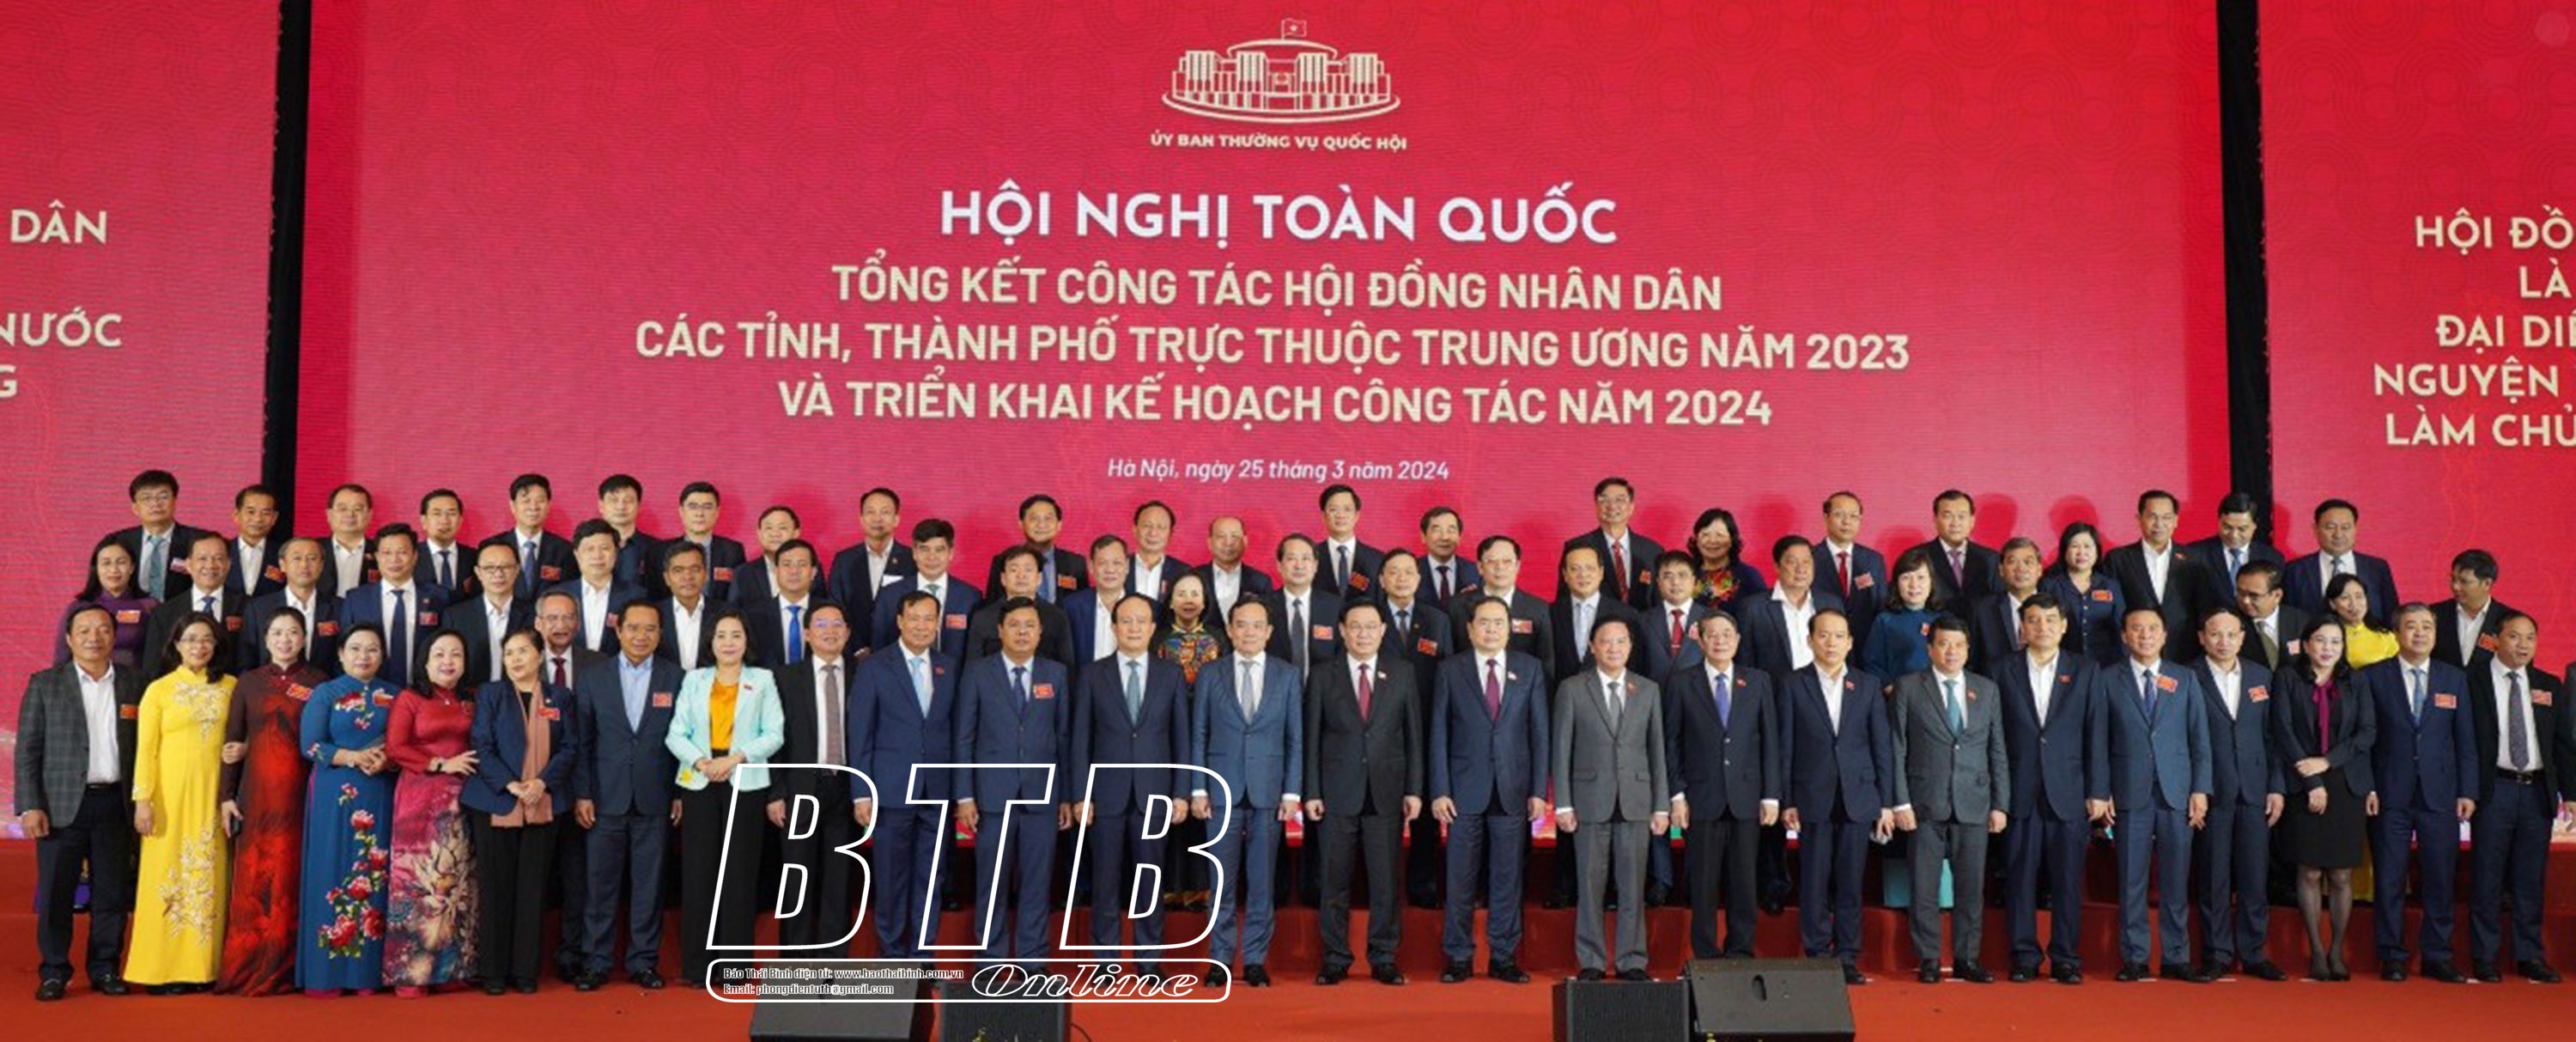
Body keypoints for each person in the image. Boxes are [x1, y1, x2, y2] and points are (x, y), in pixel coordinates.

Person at [19, 605, 143, 1000]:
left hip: (115, 804)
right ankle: (55, 971)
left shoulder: (134, 683)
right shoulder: (45, 683)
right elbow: (28, 750)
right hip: (60, 807)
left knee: (112, 894)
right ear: (69, 639)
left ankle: (105, 968)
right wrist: (30, 805)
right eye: (85, 630)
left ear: (114, 636)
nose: (94, 637)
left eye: (103, 629)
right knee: (57, 894)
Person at [1429, 596, 1549, 984]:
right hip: (1463, 791)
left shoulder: (1529, 669)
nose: (1491, 629)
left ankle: (1503, 956)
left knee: (1507, 878)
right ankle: (1458, 956)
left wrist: (1538, 789)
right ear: (1470, 629)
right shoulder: (1451, 669)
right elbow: (1438, 732)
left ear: (1510, 628)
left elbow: (1539, 732)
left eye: (1499, 622)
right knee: (1460, 879)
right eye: (1484, 622)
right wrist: (1440, 789)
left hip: (1513, 790)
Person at [1070, 594, 1191, 976]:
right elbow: (1080, 740)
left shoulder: (1171, 674)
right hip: (1105, 795)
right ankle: (1106, 961)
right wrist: (1080, 795)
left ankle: (1149, 961)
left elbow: (1181, 738)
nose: (1134, 628)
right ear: (1114, 627)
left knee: (1150, 881)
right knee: (1105, 881)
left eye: (1141, 621)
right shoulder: (1092, 674)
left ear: (1153, 628)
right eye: (1126, 621)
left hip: (1154, 794)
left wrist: (1181, 792)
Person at [1304, 600, 1423, 985]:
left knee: (1385, 881)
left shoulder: (1402, 673)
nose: (1363, 634)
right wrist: (1311, 791)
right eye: (1355, 626)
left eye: (1371, 627)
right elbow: (1311, 738)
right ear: (1342, 631)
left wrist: (1414, 789)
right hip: (1336, 792)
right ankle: (1336, 958)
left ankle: (1383, 956)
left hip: (1387, 791)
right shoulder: (1323, 675)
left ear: (1383, 630)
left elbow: (1413, 736)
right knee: (1333, 881)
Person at [2358, 604, 2478, 981]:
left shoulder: (2453, 678)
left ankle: (2438, 955)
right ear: (2396, 633)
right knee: (2390, 878)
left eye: (2427, 627)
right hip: (2389, 793)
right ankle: (2392, 955)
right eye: (2412, 626)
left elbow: (2465, 740)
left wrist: (2467, 791)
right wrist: (2368, 785)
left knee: (2440, 878)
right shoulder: (2373, 677)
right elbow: (2364, 739)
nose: (2420, 633)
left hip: (2439, 794)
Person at [215, 608, 331, 995]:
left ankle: (291, 967)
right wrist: (227, 796)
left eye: (293, 632)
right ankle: (250, 965)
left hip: (303, 794)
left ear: (305, 639)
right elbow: (232, 742)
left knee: (295, 875)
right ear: (265, 640)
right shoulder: (248, 683)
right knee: (257, 878)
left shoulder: (319, 683)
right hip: (258, 794)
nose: (285, 640)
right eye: (277, 633)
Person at [666, 611, 784, 987]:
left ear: (747, 641)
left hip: (744, 781)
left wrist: (734, 760)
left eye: (736, 635)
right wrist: (703, 762)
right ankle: (698, 968)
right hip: (699, 781)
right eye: (721, 635)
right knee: (699, 874)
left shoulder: (762, 679)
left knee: (738, 875)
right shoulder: (694, 679)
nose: (729, 642)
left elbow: (775, 734)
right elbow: (675, 734)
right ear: (710, 642)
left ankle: (734, 968)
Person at [955, 598, 1075, 965]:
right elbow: (964, 737)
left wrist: (1066, 796)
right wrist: (964, 796)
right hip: (992, 797)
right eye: (1015, 625)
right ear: (1000, 631)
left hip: (1042, 795)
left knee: (1037, 884)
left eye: (1030, 626)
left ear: (1040, 632)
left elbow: (1064, 739)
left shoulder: (1056, 674)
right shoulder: (978, 672)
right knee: (991, 883)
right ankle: (990, 961)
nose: (1022, 632)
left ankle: (1032, 960)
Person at [1191, 599, 1304, 989]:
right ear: (1230, 630)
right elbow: (1199, 733)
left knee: (1262, 881)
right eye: (1242, 625)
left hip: (1269, 790)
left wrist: (1292, 791)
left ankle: (1255, 959)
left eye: (1257, 625)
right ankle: (1219, 959)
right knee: (1220, 881)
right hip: (1220, 789)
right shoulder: (1211, 674)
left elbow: (1295, 738)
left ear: (1269, 632)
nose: (1249, 632)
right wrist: (1198, 787)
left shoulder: (1287, 675)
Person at [570, 602, 683, 990]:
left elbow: (683, 740)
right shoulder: (593, 677)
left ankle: (643, 962)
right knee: (599, 885)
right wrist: (583, 793)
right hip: (604, 798)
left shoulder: (675, 677)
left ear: (660, 633)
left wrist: (679, 791)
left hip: (656, 796)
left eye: (650, 629)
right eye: (633, 628)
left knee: (649, 886)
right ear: (618, 631)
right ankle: (595, 961)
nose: (641, 636)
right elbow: (583, 742)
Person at [1889, 617, 2007, 984]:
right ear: (1930, 649)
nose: (1951, 651)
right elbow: (1897, 749)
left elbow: (1997, 749)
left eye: (1958, 645)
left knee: (1971, 889)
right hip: (1924, 801)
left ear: (1968, 650)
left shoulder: (1986, 689)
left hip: (1974, 801)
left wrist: (2000, 804)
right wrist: (1900, 803)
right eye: (1943, 644)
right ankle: (1927, 958)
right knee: (1923, 887)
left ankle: (1966, 958)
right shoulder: (1909, 687)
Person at [1996, 593, 2104, 984]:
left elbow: (2096, 733)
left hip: (2069, 790)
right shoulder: (2001, 669)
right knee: (2019, 878)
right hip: (2019, 791)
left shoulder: (2086, 670)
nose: (2042, 627)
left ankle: (2065, 957)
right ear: (2022, 627)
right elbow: (1994, 736)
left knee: (2068, 881)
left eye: (2050, 620)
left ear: (2064, 625)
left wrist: (2098, 790)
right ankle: (2024, 955)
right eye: (2034, 620)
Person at [124, 613, 234, 992]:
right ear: (175, 645)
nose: (198, 646)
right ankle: (161, 970)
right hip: (167, 798)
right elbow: (146, 750)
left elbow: (242, 737)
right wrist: (143, 800)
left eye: (206, 639)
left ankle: (202, 969)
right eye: (190, 639)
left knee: (208, 875)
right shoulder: (159, 690)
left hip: (212, 795)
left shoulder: (231, 687)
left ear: (216, 645)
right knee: (165, 878)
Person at [2098, 607, 2210, 982]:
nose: (2145, 635)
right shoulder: (2107, 679)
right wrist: (2102, 790)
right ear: (2124, 636)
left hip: (2176, 791)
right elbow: (2099, 741)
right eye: (2136, 629)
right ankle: (2135, 957)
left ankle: (2176, 957)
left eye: (2152, 629)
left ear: (2164, 635)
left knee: (2176, 880)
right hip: (2128, 792)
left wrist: (2200, 789)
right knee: (2132, 880)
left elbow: (2199, 739)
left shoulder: (2184, 678)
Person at [1555, 615, 1668, 981]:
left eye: (1621, 641)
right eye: (1606, 641)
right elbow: (1562, 749)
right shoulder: (1573, 688)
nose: (1614, 648)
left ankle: (1632, 960)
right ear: (1593, 647)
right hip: (1589, 800)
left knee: (1633, 887)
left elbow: (1657, 751)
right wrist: (1563, 802)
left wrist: (1661, 805)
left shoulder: (1647, 689)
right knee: (1590, 885)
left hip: (1636, 800)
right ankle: (1590, 960)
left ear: (1631, 647)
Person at [469, 628, 580, 993]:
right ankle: (494, 973)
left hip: (544, 801)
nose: (515, 659)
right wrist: (511, 784)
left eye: (522, 651)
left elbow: (570, 747)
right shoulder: (492, 694)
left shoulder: (560, 697)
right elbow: (481, 745)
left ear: (540, 655)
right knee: (495, 889)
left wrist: (542, 783)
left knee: (533, 890)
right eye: (509, 653)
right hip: (497, 801)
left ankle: (525, 972)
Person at [1783, 610, 1892, 984]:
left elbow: (1881, 747)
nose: (1831, 643)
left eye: (1839, 636)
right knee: (1814, 880)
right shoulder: (1793, 684)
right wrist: (1787, 799)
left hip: (1858, 796)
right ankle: (1817, 954)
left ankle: (1847, 956)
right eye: (1824, 635)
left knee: (1850, 881)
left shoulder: (1867, 685)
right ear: (1810, 640)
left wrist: (1885, 802)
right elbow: (1785, 746)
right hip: (1811, 794)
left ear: (1850, 642)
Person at [848, 591, 958, 961]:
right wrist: (862, 792)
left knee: (932, 876)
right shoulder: (875, 667)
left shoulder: (949, 667)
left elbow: (956, 732)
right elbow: (860, 734)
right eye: (914, 618)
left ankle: (923, 955)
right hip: (890, 791)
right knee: (891, 878)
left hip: (937, 790)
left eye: (929, 619)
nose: (922, 626)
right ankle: (892, 955)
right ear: (899, 621)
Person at [1663, 611, 1778, 961]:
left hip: (1747, 795)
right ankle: (1705, 953)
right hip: (1701, 797)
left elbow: (1770, 741)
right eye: (1712, 634)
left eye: (1727, 634)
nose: (1720, 640)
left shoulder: (1757, 681)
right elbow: (1672, 742)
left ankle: (1741, 949)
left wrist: (1771, 795)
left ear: (1738, 640)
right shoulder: (1682, 682)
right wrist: (1677, 794)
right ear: (1700, 640)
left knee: (1744, 880)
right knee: (1703, 883)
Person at [2465, 612, 2569, 983]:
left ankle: (2529, 955)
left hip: (2537, 791)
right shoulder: (2472, 680)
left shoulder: (2548, 684)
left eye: (2530, 638)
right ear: (2495, 639)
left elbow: (2562, 743)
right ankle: (2484, 957)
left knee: (2529, 878)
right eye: (2514, 636)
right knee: (2487, 876)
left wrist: (2570, 793)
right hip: (2494, 789)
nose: (2523, 645)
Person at [2272, 616, 2376, 981]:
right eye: (2320, 640)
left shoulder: (2356, 680)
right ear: (2306, 644)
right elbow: (2283, 730)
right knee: (2310, 870)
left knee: (2342, 874)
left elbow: (2367, 732)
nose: (2328, 648)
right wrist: (2313, 779)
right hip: (2302, 779)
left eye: (2335, 641)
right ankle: (2316, 951)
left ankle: (2337, 950)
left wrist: (2329, 762)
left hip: (2346, 782)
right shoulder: (2288, 677)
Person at [2186, 607, 2287, 982]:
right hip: (2212, 792)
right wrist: (2196, 788)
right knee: (2214, 877)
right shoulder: (2188, 676)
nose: (2223, 641)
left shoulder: (2261, 676)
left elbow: (2274, 737)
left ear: (2243, 638)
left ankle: (2254, 953)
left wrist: (2277, 786)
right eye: (2215, 634)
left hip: (2256, 790)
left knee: (2254, 876)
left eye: (2231, 634)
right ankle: (2217, 954)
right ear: (2202, 638)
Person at [297, 625, 396, 996]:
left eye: (372, 649)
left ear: (383, 655)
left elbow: (405, 742)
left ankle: (365, 975)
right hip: (334, 793)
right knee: (331, 869)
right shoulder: (326, 693)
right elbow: (310, 746)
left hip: (379, 790)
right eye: (355, 649)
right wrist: (354, 757)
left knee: (374, 874)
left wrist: (387, 759)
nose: (363, 656)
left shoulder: (395, 694)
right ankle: (326, 974)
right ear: (340, 654)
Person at [383, 630, 480, 996]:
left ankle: (451, 970)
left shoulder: (472, 700)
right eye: (439, 654)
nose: (448, 661)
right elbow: (396, 747)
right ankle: (412, 974)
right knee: (418, 884)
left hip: (464, 801)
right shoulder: (410, 698)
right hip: (420, 799)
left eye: (456, 654)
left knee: (457, 885)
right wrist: (440, 763)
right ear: (424, 662)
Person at [768, 600, 865, 952]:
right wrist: (776, 792)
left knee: (839, 878)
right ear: (807, 634)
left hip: (846, 787)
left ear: (848, 633)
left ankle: (833, 961)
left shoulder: (863, 674)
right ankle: (795, 961)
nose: (830, 631)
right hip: (800, 788)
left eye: (837, 624)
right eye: (821, 625)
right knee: (797, 875)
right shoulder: (785, 678)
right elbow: (775, 738)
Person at [533, 589, 605, 981]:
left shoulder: (599, 664)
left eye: (567, 618)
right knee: (535, 875)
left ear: (577, 623)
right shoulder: (523, 661)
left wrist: (586, 789)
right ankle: (526, 957)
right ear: (538, 623)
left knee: (579, 878)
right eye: (552, 618)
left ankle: (572, 954)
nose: (560, 626)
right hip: (535, 786)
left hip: (586, 786)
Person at [1376, 550, 1453, 908]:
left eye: (1409, 572)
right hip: (1382, 732)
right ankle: (1383, 889)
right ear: (1382, 580)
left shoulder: (1437, 620)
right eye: (1394, 572)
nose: (1402, 578)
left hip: (1426, 728)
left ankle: (1424, 886)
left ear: (1419, 579)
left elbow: (1449, 675)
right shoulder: (1370, 618)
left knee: (1425, 816)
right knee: (1383, 814)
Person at [1152, 573, 1227, 911]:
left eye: (1195, 594)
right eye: (1181, 593)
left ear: (1205, 600)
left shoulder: (1217, 638)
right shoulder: (1158, 637)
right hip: (1166, 730)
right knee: (1172, 808)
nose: (1188, 600)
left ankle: (1200, 886)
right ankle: (1170, 885)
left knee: (1201, 809)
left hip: (1209, 730)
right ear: (1170, 601)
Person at [337, 524, 448, 691]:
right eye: (387, 553)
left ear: (415, 556)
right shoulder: (356, 599)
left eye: (402, 552)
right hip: (370, 691)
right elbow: (344, 650)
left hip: (424, 693)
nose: (394, 560)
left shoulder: (439, 597)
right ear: (377, 557)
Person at [2103, 491, 2211, 652]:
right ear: (2139, 519)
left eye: (2166, 517)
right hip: (2135, 650)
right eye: (2152, 517)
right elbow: (2112, 610)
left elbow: (2204, 607)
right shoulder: (2118, 559)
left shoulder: (2194, 559)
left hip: (2183, 651)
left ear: (2176, 521)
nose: (2159, 524)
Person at [869, 519, 981, 667]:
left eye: (939, 550)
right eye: (924, 549)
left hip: (955, 678)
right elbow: (880, 647)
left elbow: (975, 652)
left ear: (951, 553)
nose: (932, 557)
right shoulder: (890, 595)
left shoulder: (970, 597)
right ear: (914, 553)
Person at [1449, 535, 1554, 682]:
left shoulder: (1538, 609)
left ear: (1518, 566)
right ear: (1480, 567)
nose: (1500, 567)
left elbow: (1546, 663)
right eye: (1492, 561)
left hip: (1521, 692)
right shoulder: (1458, 605)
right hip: (1468, 688)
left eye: (1507, 561)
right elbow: (1450, 658)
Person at [1739, 538, 1842, 681]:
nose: (1801, 569)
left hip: (1825, 690)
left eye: (1806, 562)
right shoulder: (1753, 608)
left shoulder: (1831, 603)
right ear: (1777, 567)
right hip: (1774, 691)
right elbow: (1745, 663)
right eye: (1792, 562)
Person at [141, 532, 241, 679]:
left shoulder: (249, 608)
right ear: (188, 565)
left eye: (218, 558)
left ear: (228, 564)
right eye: (202, 558)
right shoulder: (163, 613)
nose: (210, 565)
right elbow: (153, 668)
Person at [2283, 499, 2400, 623]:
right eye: (2330, 527)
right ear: (2315, 529)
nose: (2338, 535)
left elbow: (2391, 615)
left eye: (2345, 528)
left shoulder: (2377, 568)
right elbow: (2289, 619)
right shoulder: (2295, 571)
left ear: (2356, 529)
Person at [964, 545, 1079, 667]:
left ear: (1039, 578)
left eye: (1028, 570)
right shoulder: (983, 618)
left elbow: (1067, 667)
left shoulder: (1057, 617)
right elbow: (973, 668)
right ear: (1003, 578)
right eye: (1014, 570)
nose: (1021, 576)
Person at [101, 469, 205, 602]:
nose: (156, 504)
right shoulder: (117, 542)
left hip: (185, 613)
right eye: (147, 498)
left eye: (163, 497)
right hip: (130, 612)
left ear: (175, 502)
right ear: (135, 508)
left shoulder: (200, 541)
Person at [1564, 477, 1665, 611]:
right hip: (1595, 622)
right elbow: (1565, 599)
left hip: (1642, 622)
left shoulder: (1652, 550)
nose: (1612, 506)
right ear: (1596, 506)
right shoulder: (1577, 547)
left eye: (1620, 500)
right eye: (1604, 500)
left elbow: (1660, 602)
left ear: (1631, 507)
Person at [242, 537, 343, 670]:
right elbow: (247, 659)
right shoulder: (258, 608)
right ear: (282, 564)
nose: (304, 565)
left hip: (326, 682)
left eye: (312, 558)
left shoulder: (339, 607)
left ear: (321, 565)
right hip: (270, 682)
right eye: (297, 558)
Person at [549, 519, 642, 655]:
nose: (597, 556)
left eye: (605, 548)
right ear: (577, 555)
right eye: (590, 549)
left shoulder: (635, 596)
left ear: (616, 553)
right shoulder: (556, 596)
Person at [65, 537, 157, 670]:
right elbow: (62, 657)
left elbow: (159, 656)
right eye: (106, 563)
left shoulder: (149, 606)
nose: (114, 570)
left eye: (121, 562)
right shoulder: (78, 608)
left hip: (136, 680)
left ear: (132, 567)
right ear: (96, 568)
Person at [2041, 523, 2125, 667]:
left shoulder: (2110, 586)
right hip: (2062, 665)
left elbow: (2121, 628)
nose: (2081, 552)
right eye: (2075, 546)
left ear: (2097, 551)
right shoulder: (2050, 585)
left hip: (2104, 666)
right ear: (2065, 551)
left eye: (2087, 546)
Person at [447, 542, 532, 686]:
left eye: (506, 567)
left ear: (517, 570)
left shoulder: (533, 614)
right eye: (489, 568)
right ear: (478, 572)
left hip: (520, 695)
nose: (498, 574)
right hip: (470, 695)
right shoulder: (455, 616)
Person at [480, 473, 574, 602]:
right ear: (513, 506)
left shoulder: (564, 550)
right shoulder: (493, 547)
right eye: (526, 501)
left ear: (548, 505)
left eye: (540, 501)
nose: (533, 507)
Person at [2181, 492, 2282, 611]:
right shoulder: (2195, 554)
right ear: (2219, 521)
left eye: (2242, 529)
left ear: (2254, 526)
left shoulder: (2271, 557)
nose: (2234, 535)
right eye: (2227, 527)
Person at [1267, 534, 1343, 686]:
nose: (1299, 565)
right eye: (1291, 558)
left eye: (1306, 559)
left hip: (1323, 692)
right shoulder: (1264, 607)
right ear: (1279, 565)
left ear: (1315, 566)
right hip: (1275, 691)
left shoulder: (1335, 606)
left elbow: (1342, 656)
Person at [984, 493, 1087, 603]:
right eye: (1034, 518)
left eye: (1048, 518)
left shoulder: (1076, 564)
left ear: (1059, 525)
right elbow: (992, 605)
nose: (1041, 524)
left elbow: (1082, 606)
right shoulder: (1003, 561)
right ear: (1021, 524)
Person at [660, 482, 748, 604]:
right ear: (681, 511)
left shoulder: (733, 551)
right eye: (693, 507)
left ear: (717, 512)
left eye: (707, 507)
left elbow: (737, 596)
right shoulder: (660, 551)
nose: (700, 514)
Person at [826, 486, 912, 609]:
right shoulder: (844, 561)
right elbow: (835, 607)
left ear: (896, 520)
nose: (877, 519)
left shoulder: (911, 559)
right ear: (861, 520)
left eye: (885, 512)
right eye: (870, 512)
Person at [742, 539, 823, 668]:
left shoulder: (828, 613)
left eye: (801, 564)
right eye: (787, 564)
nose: (794, 571)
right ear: (776, 571)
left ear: (813, 572)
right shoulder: (752, 616)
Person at [1967, 538, 2044, 674]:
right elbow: (1972, 662)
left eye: (2028, 562)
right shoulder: (1982, 610)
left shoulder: (2056, 608)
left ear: (2039, 570)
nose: (2021, 568)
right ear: (2001, 570)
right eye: (2012, 562)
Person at [1911, 490, 2000, 606]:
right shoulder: (1918, 556)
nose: (1955, 523)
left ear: (1972, 521)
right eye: (1948, 516)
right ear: (1935, 521)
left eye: (1961, 516)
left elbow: (2000, 601)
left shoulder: (1991, 559)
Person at [1861, 547, 1938, 682]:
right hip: (1899, 692)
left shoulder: (1944, 620)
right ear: (1896, 584)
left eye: (1921, 577)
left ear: (1931, 582)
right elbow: (1872, 663)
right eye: (1906, 578)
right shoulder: (1885, 621)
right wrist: (1891, 688)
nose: (1914, 585)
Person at [1817, 491, 1888, 638]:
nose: (1846, 522)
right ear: (1826, 518)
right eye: (1839, 515)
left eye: (1853, 516)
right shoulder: (1809, 559)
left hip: (1865, 645)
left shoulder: (1874, 561)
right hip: (1824, 644)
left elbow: (1881, 609)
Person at [1641, 551, 1717, 683]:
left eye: (1682, 575)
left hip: (1697, 693)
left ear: (1694, 581)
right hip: (1654, 693)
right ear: (1658, 582)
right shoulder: (1642, 620)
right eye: (1667, 576)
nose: (1675, 582)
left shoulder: (1712, 619)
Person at [2431, 549, 2512, 668]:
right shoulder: (2434, 614)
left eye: (2464, 581)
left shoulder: (2509, 620)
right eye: (2453, 579)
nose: (2455, 586)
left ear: (2487, 584)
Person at [1063, 534, 1136, 663]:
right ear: (1091, 567)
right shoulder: (1071, 607)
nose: (1110, 570)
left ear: (1127, 566)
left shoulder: (1144, 607)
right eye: (1102, 563)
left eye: (1117, 563)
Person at [1193, 515, 1274, 623]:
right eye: (1221, 536)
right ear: (1209, 542)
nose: (1228, 543)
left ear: (1245, 541)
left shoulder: (1260, 582)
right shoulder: (1193, 578)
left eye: (1234, 536)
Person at [1684, 508, 1768, 610]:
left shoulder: (1748, 575)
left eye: (1720, 535)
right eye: (1705, 535)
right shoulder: (1686, 574)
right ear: (1696, 539)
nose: (1712, 540)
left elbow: (1764, 613)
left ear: (1732, 540)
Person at [2234, 560, 2309, 674]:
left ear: (2277, 595)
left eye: (2254, 596)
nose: (2246, 601)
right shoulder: (2230, 621)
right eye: (2241, 593)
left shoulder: (2301, 622)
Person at [595, 474, 663, 597]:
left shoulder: (656, 549)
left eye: (628, 501)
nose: (621, 507)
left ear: (639, 506)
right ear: (601, 506)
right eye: (614, 500)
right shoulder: (586, 547)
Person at [653, 541, 716, 673]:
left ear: (706, 575)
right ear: (667, 578)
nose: (688, 577)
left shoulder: (724, 613)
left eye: (695, 570)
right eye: (678, 570)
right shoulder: (653, 614)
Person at [1315, 483, 1386, 599]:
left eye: (1347, 509)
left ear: (1357, 515)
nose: (1340, 515)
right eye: (1333, 510)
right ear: (1323, 516)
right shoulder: (1311, 556)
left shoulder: (1377, 560)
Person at [729, 504, 802, 605]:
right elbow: (733, 610)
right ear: (759, 534)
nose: (775, 534)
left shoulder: (810, 569)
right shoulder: (744, 573)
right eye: (769, 528)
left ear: (796, 533)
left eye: (782, 528)